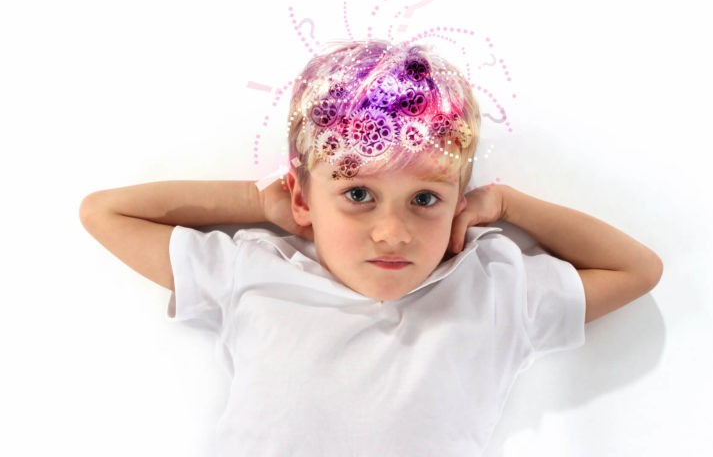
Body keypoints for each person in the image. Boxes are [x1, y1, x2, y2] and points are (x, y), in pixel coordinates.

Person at [79, 40, 663, 456]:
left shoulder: (495, 290)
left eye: (425, 199)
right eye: (358, 193)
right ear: (304, 199)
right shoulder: (251, 271)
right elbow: (105, 212)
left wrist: (508, 207)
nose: (393, 232)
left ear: (459, 200)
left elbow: (637, 269)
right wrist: (262, 203)